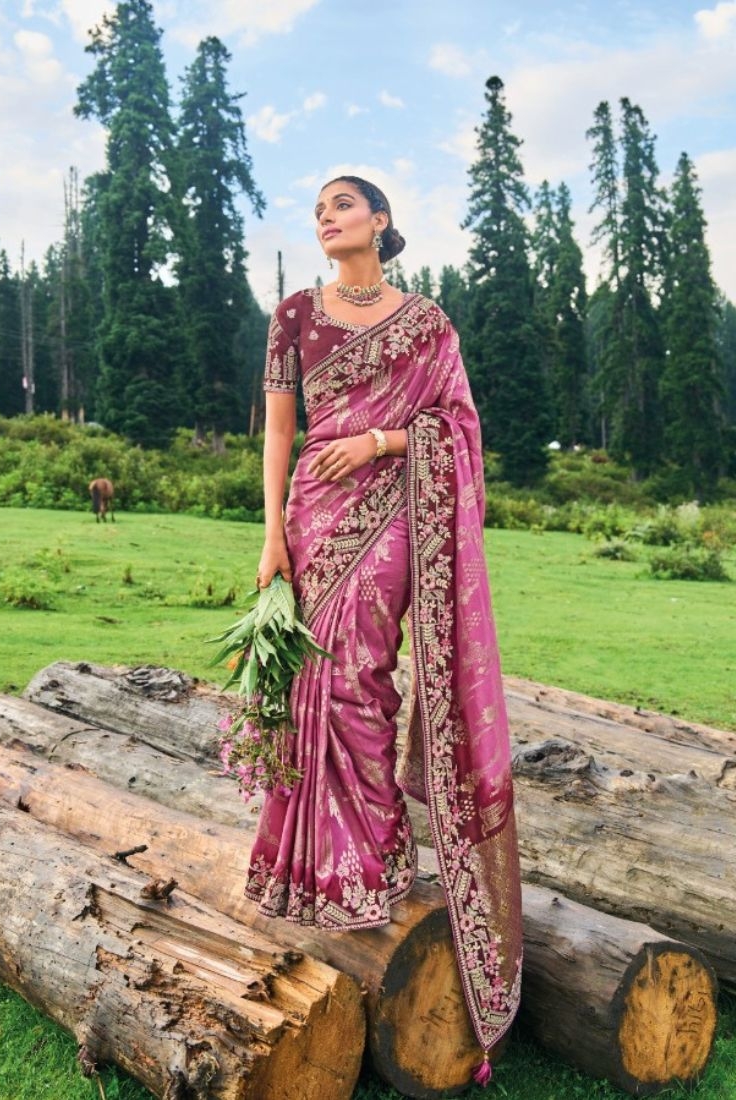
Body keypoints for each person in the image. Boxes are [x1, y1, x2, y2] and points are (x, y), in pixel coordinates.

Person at [250, 174, 522, 1076]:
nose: (325, 218)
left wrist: (381, 442)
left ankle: (371, 867)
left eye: (341, 205)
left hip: (396, 515)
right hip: (315, 520)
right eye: (318, 208)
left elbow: (460, 428)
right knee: (311, 675)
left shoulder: (429, 324)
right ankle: (309, 867)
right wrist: (271, 536)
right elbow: (278, 433)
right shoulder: (295, 314)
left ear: (380, 221)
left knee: (364, 675)